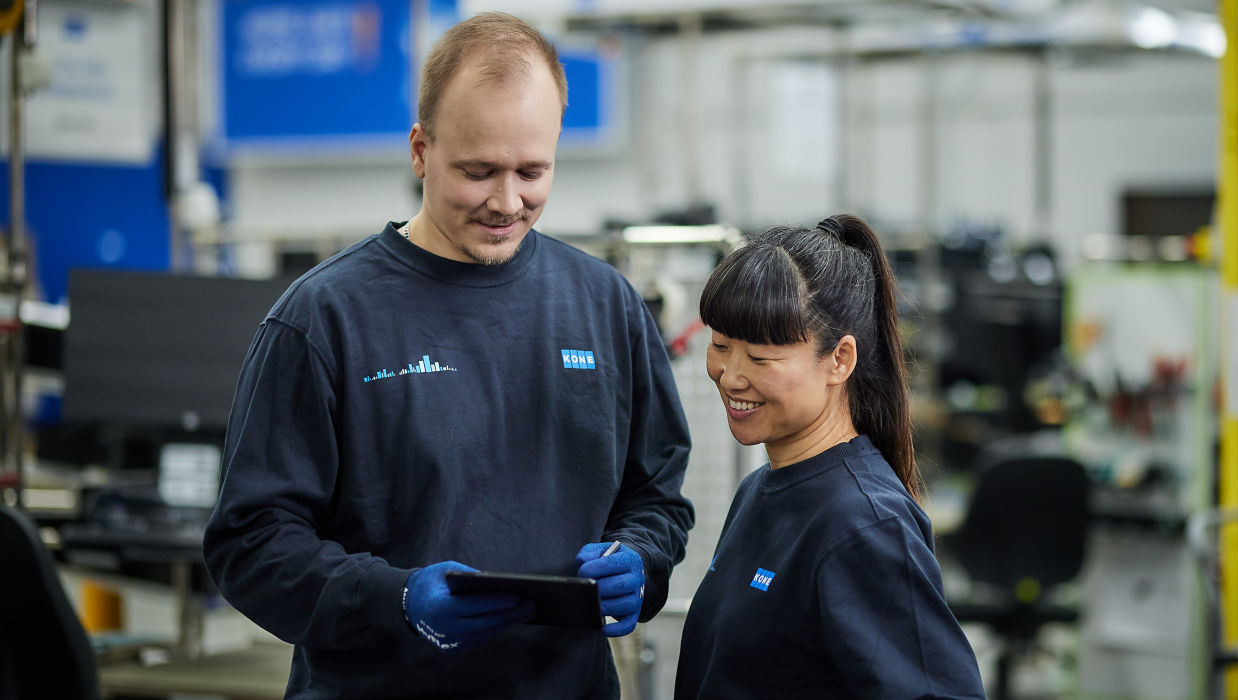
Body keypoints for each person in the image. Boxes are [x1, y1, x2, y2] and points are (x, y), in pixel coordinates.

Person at [203, 12, 694, 699]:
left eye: (532, 171)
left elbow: (657, 496)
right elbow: (250, 544)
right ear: (419, 151)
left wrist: (641, 558)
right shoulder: (323, 319)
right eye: (478, 171)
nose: (506, 201)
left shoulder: (605, 306)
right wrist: (393, 599)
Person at [674, 214, 985, 699]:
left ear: (839, 360)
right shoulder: (760, 490)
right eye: (720, 346)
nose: (730, 376)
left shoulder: (864, 524)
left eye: (760, 358)